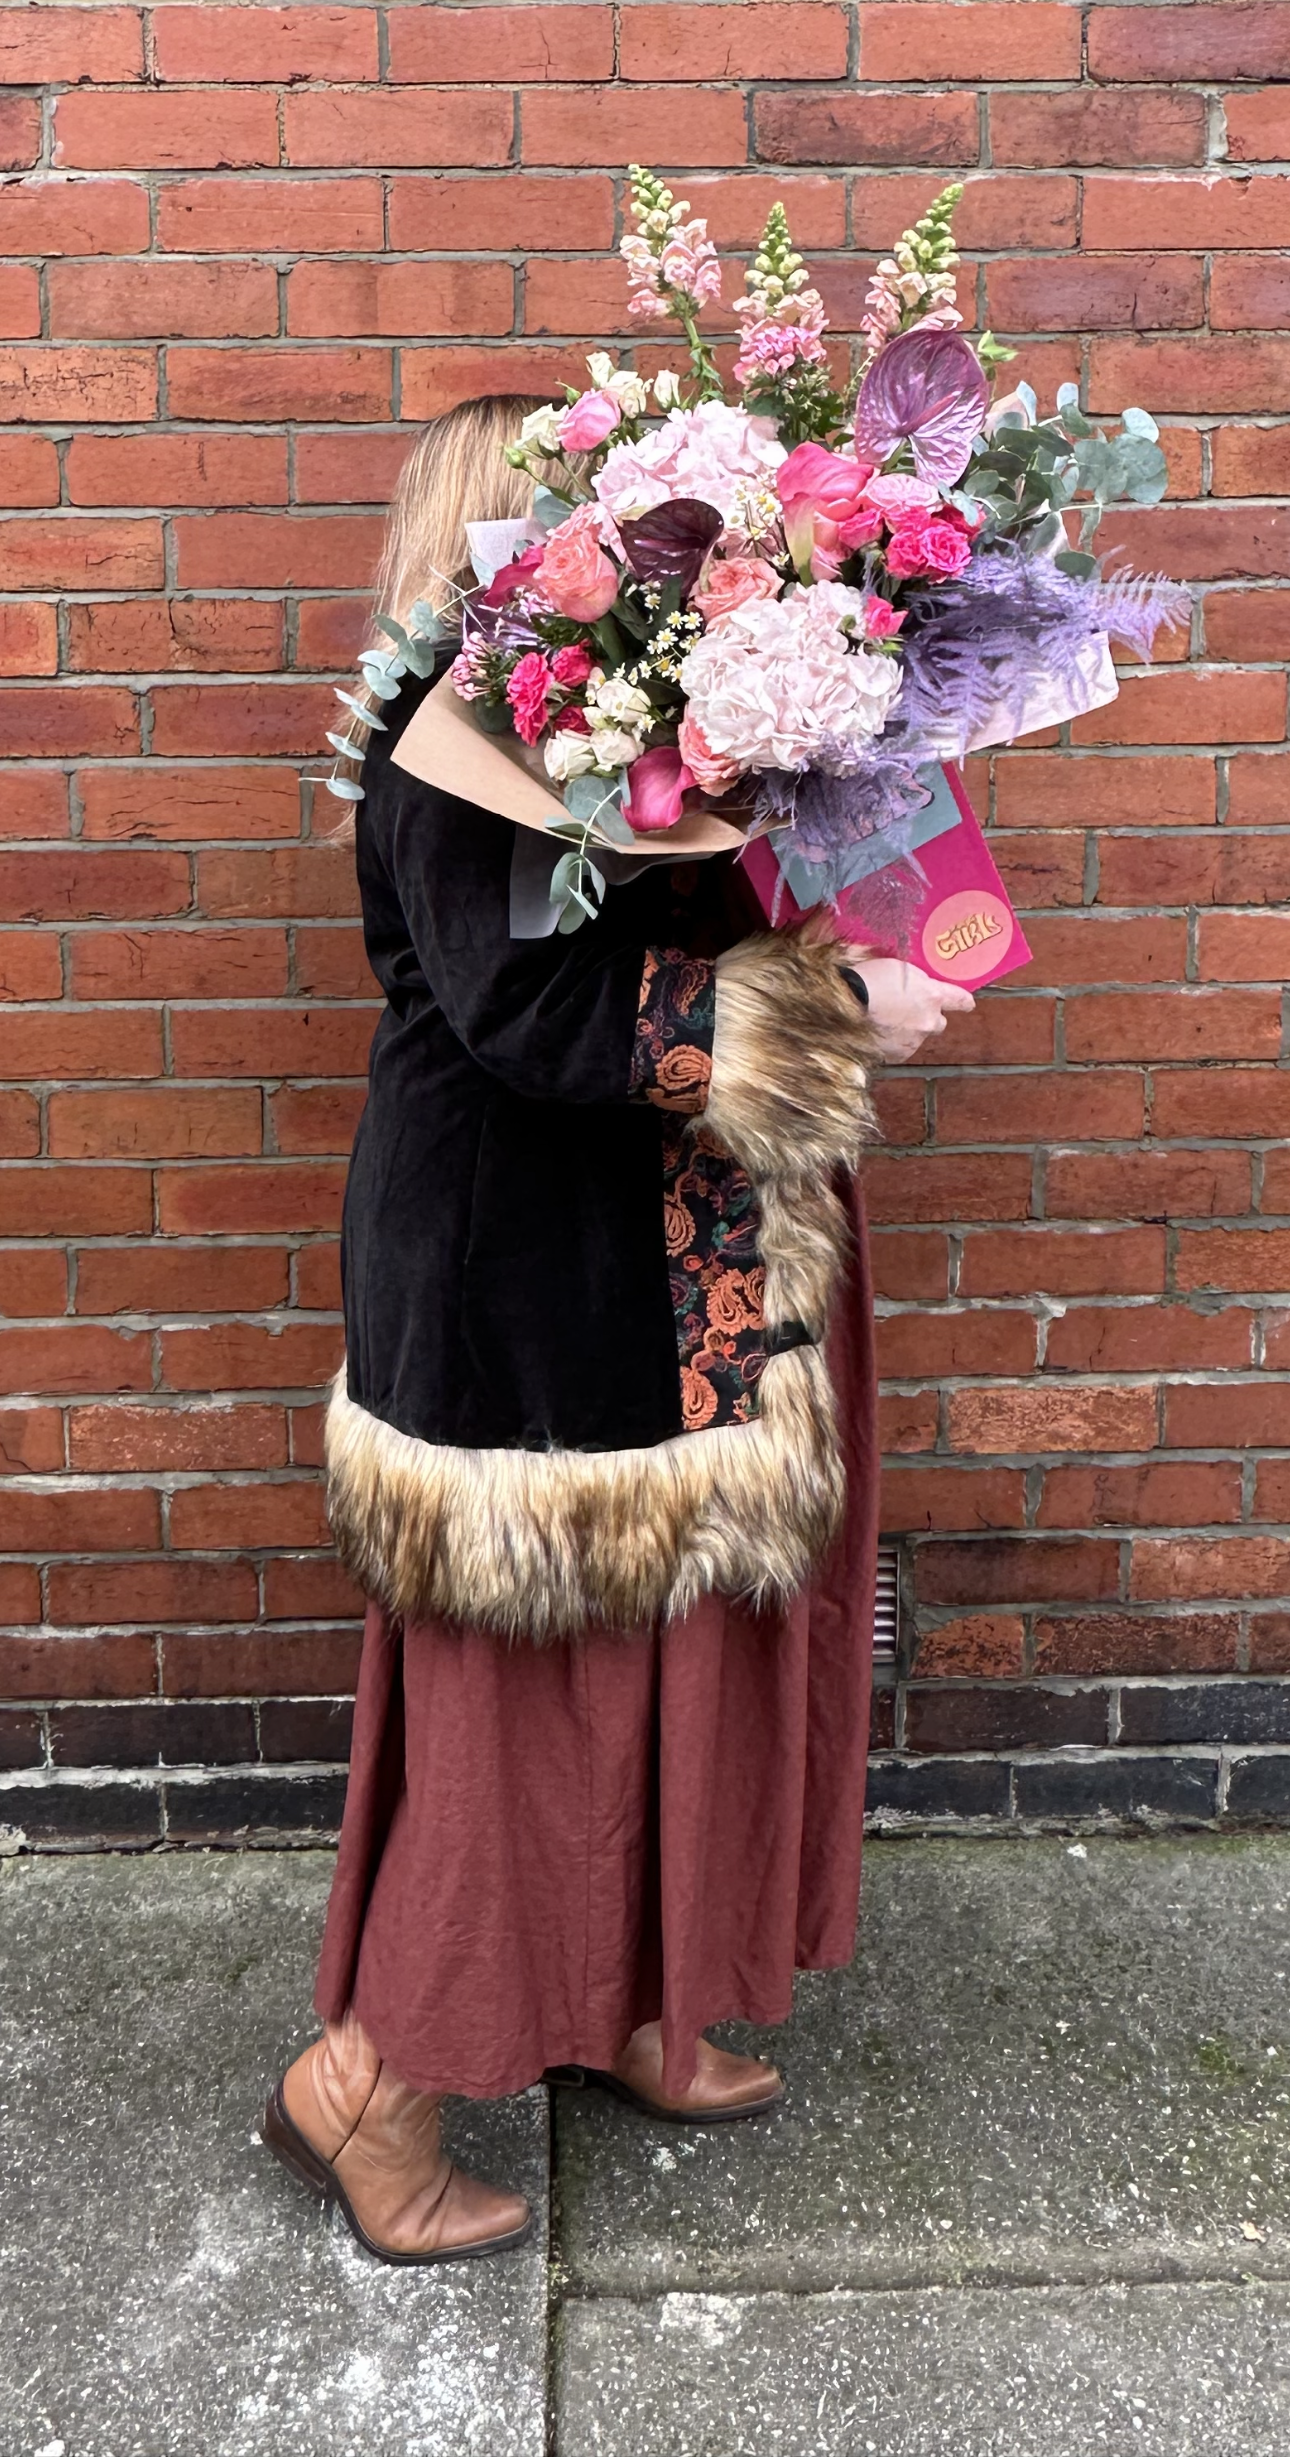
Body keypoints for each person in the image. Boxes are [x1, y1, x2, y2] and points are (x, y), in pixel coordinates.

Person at [262, 397, 972, 2265]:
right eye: (599, 520)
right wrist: (832, 1017)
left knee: (686, 1652)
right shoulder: (462, 740)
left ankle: (630, 2001)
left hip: (677, 1263)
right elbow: (524, 1014)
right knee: (525, 1693)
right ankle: (371, 2083)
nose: (643, 544)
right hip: (525, 1278)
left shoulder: (619, 733)